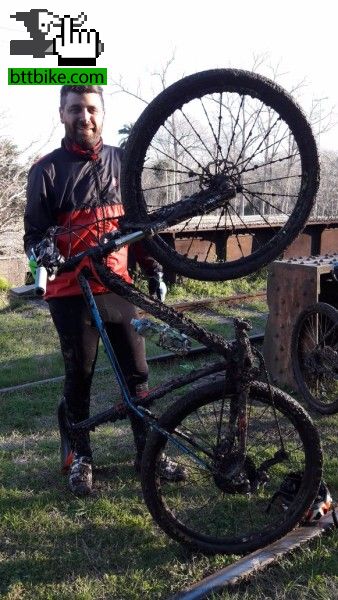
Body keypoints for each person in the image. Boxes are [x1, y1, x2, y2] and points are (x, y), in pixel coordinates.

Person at [23, 85, 183, 496]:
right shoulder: (46, 170)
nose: (85, 116)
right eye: (75, 109)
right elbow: (34, 237)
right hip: (70, 291)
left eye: (92, 108)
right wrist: (46, 254)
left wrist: (153, 268)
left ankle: (148, 452)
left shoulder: (123, 161)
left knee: (138, 373)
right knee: (80, 376)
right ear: (62, 114)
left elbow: (138, 226)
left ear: (103, 114)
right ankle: (81, 458)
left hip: (117, 285)